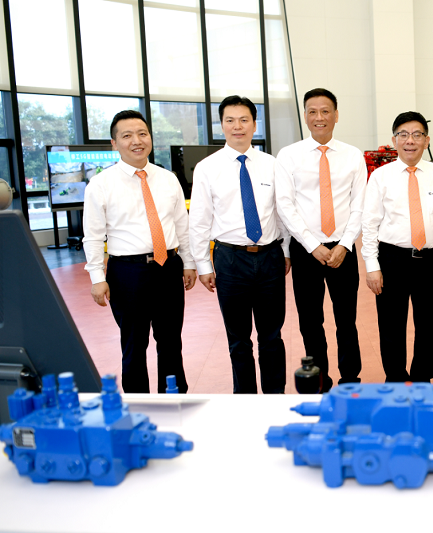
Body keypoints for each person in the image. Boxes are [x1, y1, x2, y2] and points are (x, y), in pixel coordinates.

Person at [83, 110, 196, 393]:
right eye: (127, 135)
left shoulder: (167, 178)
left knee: (171, 342)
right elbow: (93, 236)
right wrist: (97, 277)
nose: (137, 140)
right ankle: (138, 405)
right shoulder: (101, 184)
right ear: (114, 143)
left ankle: (174, 400)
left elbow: (182, 225)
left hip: (168, 267)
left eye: (142, 133)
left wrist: (188, 262)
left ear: (150, 138)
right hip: (128, 273)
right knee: (134, 344)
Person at [189, 95, 290, 394]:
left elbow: (283, 212)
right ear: (221, 125)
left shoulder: (272, 165)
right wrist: (203, 265)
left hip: (270, 257)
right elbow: (199, 220)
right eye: (230, 120)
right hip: (230, 260)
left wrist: (285, 251)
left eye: (244, 120)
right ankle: (244, 400)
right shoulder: (207, 168)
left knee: (272, 337)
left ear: (254, 124)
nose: (237, 126)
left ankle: (275, 398)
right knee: (238, 340)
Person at [275, 88, 366, 392]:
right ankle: (319, 382)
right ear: (305, 116)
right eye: (312, 111)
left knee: (346, 321)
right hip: (306, 251)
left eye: (325, 111)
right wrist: (313, 245)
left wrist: (345, 244)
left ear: (336, 115)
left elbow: (359, 204)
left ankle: (350, 380)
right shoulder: (289, 155)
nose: (319, 117)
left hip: (343, 249)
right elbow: (285, 205)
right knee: (310, 322)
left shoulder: (353, 155)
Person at [361, 111, 433, 383]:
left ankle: (422, 380)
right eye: (403, 134)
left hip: (431, 260)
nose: (410, 140)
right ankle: (395, 380)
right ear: (394, 140)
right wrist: (372, 266)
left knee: (428, 326)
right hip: (392, 260)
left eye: (417, 135)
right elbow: (369, 224)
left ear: (426, 140)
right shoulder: (380, 176)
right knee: (391, 326)